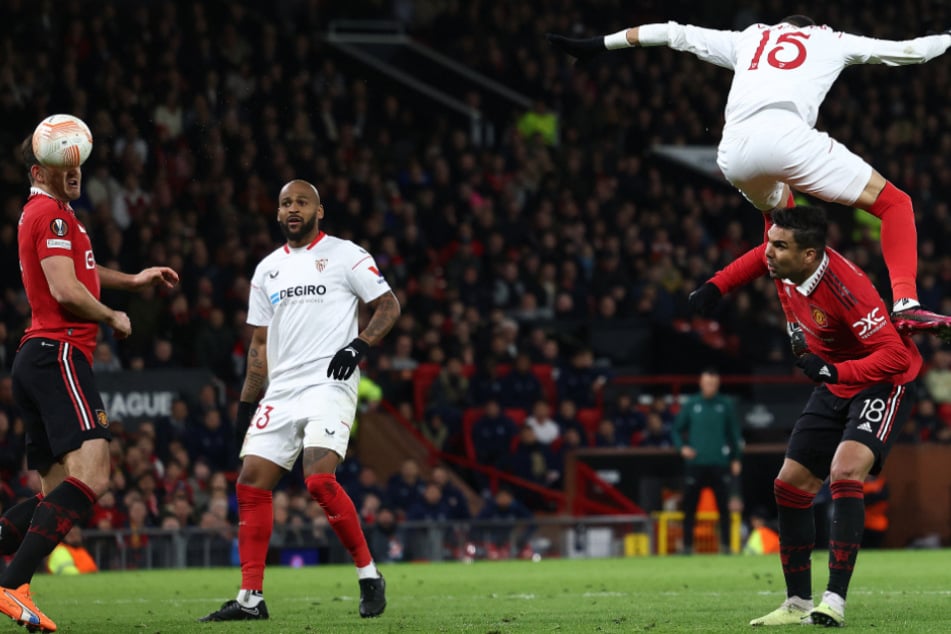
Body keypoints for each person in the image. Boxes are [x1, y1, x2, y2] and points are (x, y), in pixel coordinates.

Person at [546, 16, 951, 332]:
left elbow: (672, 33)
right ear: (813, 29)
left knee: (780, 226)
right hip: (789, 135)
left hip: (735, 151)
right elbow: (912, 51)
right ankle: (906, 304)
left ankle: (792, 322)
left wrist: (598, 45)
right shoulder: (831, 39)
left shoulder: (749, 38)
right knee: (896, 203)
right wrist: (945, 37)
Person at [692, 206, 919, 627]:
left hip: (881, 382)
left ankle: (834, 600)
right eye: (771, 243)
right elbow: (756, 256)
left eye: (779, 246)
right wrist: (716, 285)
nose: (768, 253)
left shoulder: (848, 288)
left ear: (810, 255)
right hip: (834, 383)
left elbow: (892, 355)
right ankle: (796, 603)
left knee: (845, 471)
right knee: (789, 484)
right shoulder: (787, 264)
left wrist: (836, 370)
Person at [199, 179, 400, 622]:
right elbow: (258, 346)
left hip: (331, 379)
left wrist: (358, 346)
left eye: (302, 202)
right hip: (283, 388)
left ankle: (369, 575)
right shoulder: (267, 269)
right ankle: (251, 599)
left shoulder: (347, 255)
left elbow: (389, 306)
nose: (294, 208)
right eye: (286, 202)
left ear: (318, 210)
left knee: (317, 479)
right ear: (277, 213)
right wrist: (246, 406)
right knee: (250, 482)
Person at [0, 135, 178, 632]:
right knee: (95, 472)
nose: (73, 170)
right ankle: (13, 586)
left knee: (52, 495)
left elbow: (82, 272)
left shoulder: (52, 216)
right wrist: (112, 315)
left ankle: (15, 583)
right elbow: (64, 288)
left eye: (77, 163)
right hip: (58, 352)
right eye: (61, 164)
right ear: (38, 173)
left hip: (35, 357)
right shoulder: (52, 215)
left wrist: (134, 280)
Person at [671, 368, 742, 555]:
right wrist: (682, 448)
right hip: (696, 463)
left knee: (723, 508)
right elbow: (676, 430)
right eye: (707, 382)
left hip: (719, 463)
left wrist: (735, 458)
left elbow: (733, 434)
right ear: (701, 383)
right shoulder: (692, 404)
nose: (710, 386)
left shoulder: (725, 405)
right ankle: (687, 546)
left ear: (717, 384)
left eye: (713, 383)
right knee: (689, 507)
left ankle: (726, 546)